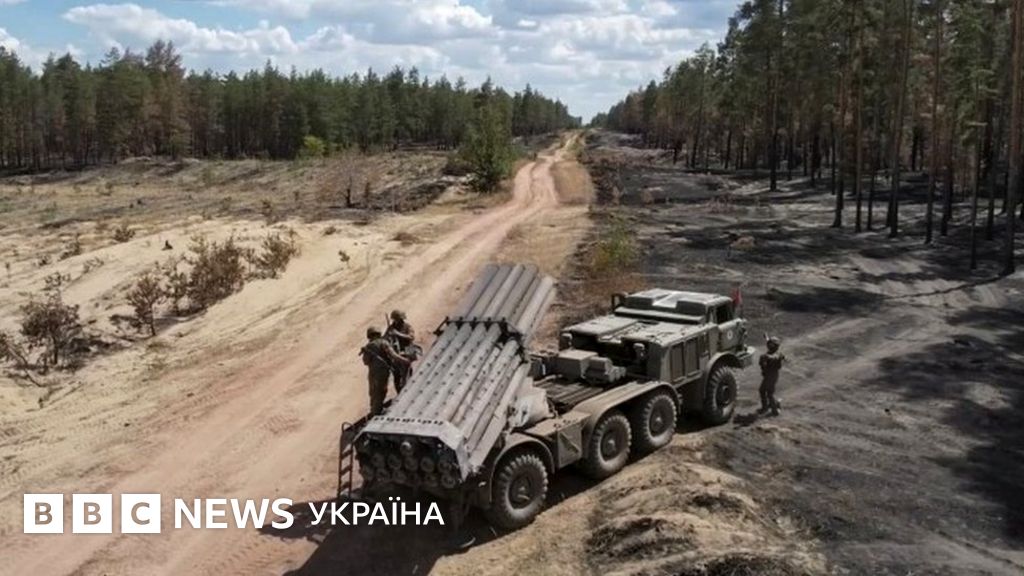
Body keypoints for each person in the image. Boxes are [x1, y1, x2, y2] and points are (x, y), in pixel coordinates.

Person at [360, 327, 409, 417]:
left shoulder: (368, 346)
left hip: (372, 373)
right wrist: (405, 360)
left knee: (373, 392)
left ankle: (374, 410)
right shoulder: (383, 343)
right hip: (383, 372)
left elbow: (365, 362)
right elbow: (393, 355)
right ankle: (377, 412)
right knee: (381, 391)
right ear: (379, 333)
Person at [385, 310, 418, 392]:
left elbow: (411, 337)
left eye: (399, 319)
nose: (398, 321)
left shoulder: (407, 326)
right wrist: (389, 336)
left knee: (407, 371)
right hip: (396, 352)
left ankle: (409, 388)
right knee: (396, 373)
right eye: (396, 319)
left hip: (407, 349)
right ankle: (400, 391)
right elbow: (385, 338)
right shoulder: (391, 328)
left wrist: (398, 334)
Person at [759, 336, 786, 416]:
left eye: (771, 345)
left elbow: (773, 358)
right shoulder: (775, 353)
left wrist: (765, 358)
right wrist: (767, 338)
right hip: (769, 376)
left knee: (769, 393)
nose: (769, 345)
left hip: (771, 376)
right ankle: (765, 407)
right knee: (762, 390)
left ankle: (775, 410)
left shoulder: (775, 355)